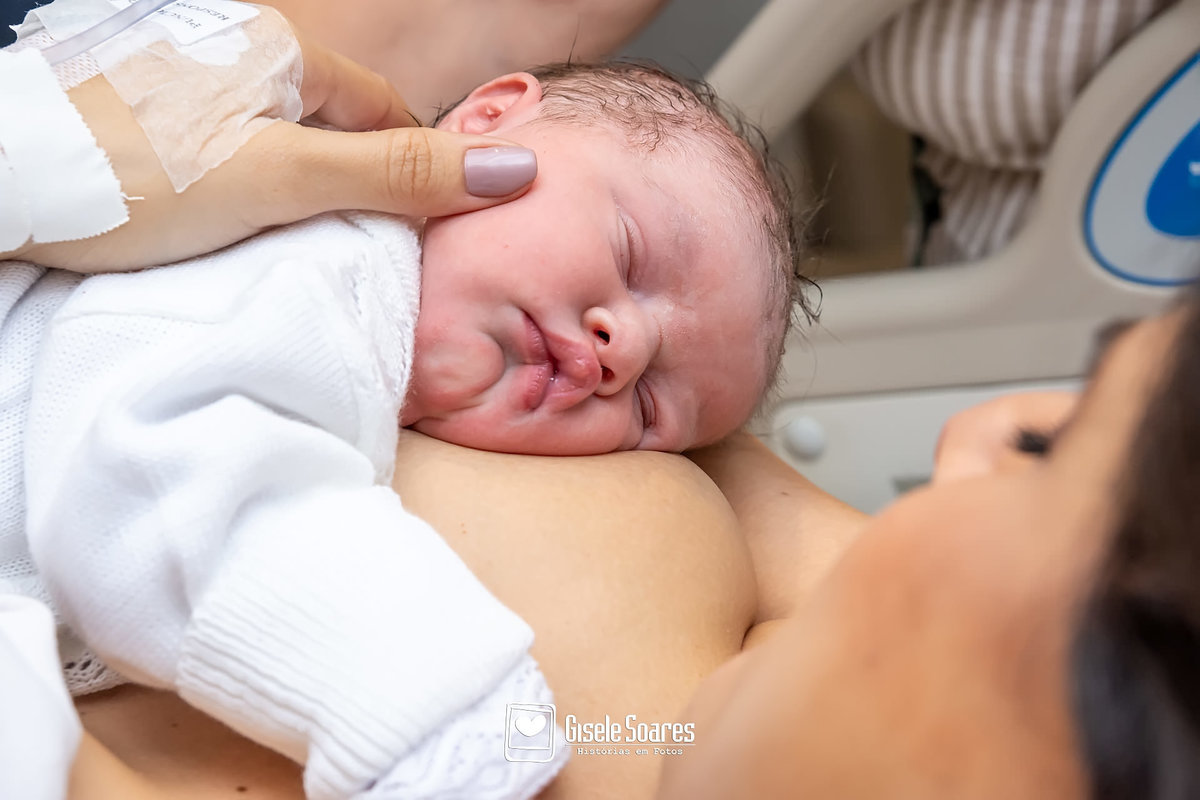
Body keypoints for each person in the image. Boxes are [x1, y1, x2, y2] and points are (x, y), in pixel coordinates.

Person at [1, 10, 810, 800]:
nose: (621, 350)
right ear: (490, 119)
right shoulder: (328, 262)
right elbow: (163, 479)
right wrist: (439, 721)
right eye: (630, 253)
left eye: (649, 410)